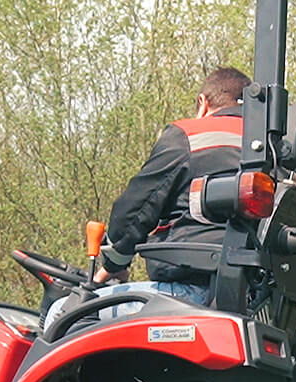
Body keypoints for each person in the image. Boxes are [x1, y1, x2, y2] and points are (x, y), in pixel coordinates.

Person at [48, 67, 250, 327]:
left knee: (58, 314)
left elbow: (134, 213)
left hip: (196, 298)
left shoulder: (192, 137)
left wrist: (113, 262)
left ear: (203, 103)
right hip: (258, 302)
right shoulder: (277, 155)